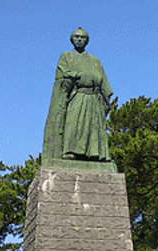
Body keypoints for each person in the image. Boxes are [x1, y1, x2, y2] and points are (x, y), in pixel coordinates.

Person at [42, 27, 113, 162]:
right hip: (77, 95)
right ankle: (70, 151)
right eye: (77, 37)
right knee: (73, 123)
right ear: (72, 40)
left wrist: (105, 99)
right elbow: (62, 73)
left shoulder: (95, 60)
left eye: (83, 37)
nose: (80, 40)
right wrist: (76, 75)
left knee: (93, 127)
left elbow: (104, 82)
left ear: (87, 41)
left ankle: (93, 154)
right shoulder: (66, 56)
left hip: (94, 98)